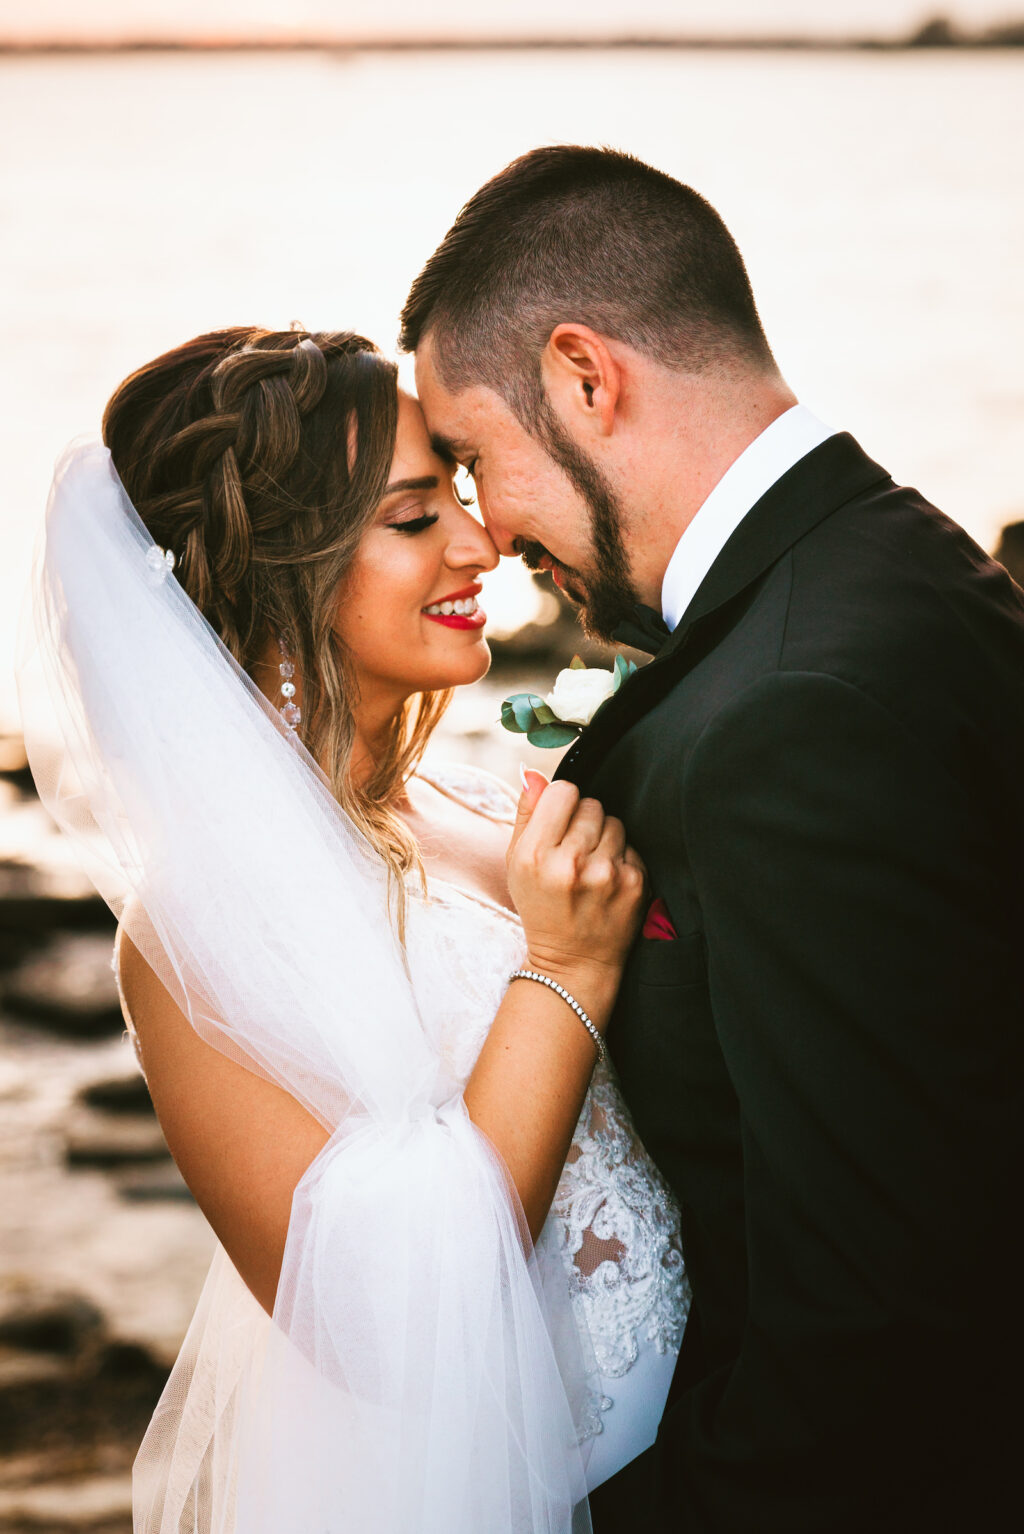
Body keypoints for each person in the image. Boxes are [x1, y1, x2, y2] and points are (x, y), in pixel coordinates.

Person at [401, 145, 1024, 1530]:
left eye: (473, 458)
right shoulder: (890, 564)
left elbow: (879, 1323)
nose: (487, 532)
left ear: (584, 375)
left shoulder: (798, 710)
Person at [18, 326, 690, 1533]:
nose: (482, 545)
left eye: (461, 499)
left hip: (727, 1440)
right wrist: (568, 967)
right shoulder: (187, 940)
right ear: (278, 575)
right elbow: (383, 1327)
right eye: (412, 515)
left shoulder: (484, 804)